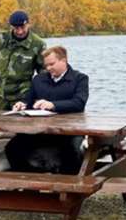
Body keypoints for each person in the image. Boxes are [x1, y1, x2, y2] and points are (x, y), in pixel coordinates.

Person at [5, 46, 89, 175]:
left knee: (72, 151)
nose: (48, 68)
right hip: (40, 130)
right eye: (46, 65)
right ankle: (29, 181)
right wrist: (22, 105)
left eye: (51, 64)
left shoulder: (80, 78)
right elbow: (29, 101)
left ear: (64, 60)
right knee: (12, 148)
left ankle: (66, 189)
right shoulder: (38, 79)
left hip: (69, 131)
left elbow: (79, 103)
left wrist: (53, 105)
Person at [0, 10, 47, 111]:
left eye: (23, 27)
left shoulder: (38, 44)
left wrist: (39, 97)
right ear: (11, 26)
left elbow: (43, 74)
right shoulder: (0, 39)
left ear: (28, 24)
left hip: (22, 98)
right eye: (16, 28)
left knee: (20, 126)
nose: (20, 31)